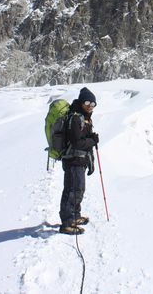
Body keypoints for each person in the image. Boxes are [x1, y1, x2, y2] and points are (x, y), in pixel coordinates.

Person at [59, 87, 99, 235]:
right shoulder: (76, 118)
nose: (90, 105)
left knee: (77, 189)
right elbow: (77, 143)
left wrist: (90, 161)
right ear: (82, 101)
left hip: (79, 160)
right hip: (73, 160)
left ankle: (75, 216)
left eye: (93, 103)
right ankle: (67, 223)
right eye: (87, 102)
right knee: (73, 190)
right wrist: (93, 141)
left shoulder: (85, 117)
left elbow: (84, 141)